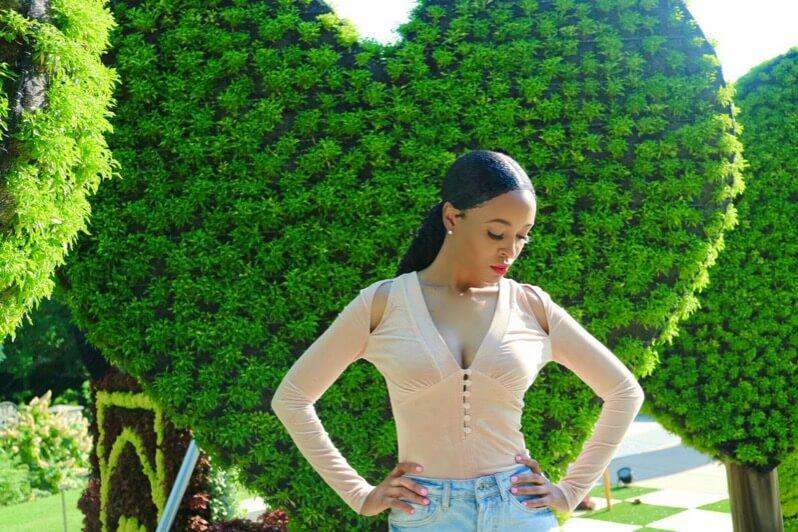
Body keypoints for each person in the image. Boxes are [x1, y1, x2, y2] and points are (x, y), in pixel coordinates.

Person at [271, 150, 645, 530]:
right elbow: (292, 398)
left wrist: (571, 491)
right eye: (496, 233)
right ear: (452, 217)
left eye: (522, 236)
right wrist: (359, 494)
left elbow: (624, 392)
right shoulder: (384, 304)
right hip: (427, 514)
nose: (510, 250)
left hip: (519, 510)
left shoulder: (532, 307)